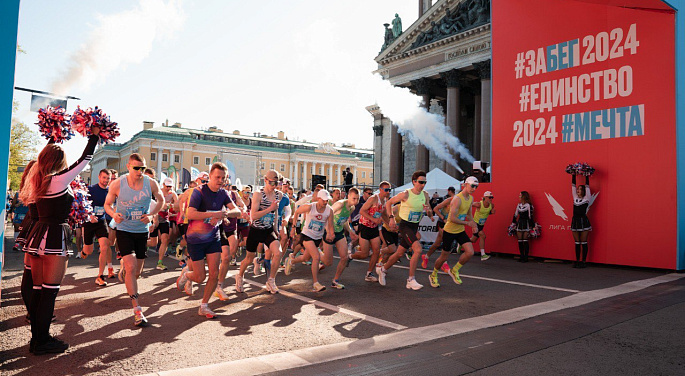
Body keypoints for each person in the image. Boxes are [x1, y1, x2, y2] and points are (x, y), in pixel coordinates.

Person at [22, 128, 101, 354]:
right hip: (54, 236)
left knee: (38, 290)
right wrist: (94, 135)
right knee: (49, 291)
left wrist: (52, 139)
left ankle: (37, 339)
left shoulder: (37, 179)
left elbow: (45, 157)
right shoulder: (57, 180)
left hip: (37, 237)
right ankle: (42, 341)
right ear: (58, 161)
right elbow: (84, 160)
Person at [176, 163, 245, 317]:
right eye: (217, 177)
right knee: (200, 277)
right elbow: (191, 214)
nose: (220, 180)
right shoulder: (199, 192)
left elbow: (236, 211)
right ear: (210, 176)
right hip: (195, 239)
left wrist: (225, 214)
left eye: (223, 178)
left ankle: (204, 305)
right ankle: (187, 274)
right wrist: (213, 214)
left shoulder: (223, 194)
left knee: (214, 273)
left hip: (213, 238)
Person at [105, 153, 165, 327]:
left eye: (143, 168)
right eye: (137, 168)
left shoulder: (151, 183)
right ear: (129, 167)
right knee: (131, 267)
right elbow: (107, 205)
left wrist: (152, 214)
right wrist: (114, 214)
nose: (140, 171)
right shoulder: (118, 184)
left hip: (141, 232)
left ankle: (125, 272)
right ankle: (137, 309)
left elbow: (161, 200)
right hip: (123, 229)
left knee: (136, 272)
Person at [380, 171, 433, 290]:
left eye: (425, 182)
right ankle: (410, 280)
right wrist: (391, 218)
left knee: (399, 253)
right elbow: (388, 203)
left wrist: (428, 211)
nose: (423, 184)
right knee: (418, 249)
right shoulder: (405, 194)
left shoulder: (425, 195)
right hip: (405, 226)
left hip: (414, 226)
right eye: (420, 182)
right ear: (414, 182)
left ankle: (383, 269)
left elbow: (430, 212)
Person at [236, 170, 284, 294]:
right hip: (255, 230)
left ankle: (271, 280)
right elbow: (254, 215)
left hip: (268, 230)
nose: (274, 186)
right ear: (266, 180)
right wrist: (270, 209)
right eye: (272, 183)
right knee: (248, 258)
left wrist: (275, 228)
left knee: (278, 253)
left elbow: (276, 211)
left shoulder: (279, 195)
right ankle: (240, 276)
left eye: (277, 183)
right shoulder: (258, 194)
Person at [428, 177, 479, 288]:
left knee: (470, 252)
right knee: (443, 257)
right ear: (465, 184)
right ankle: (433, 274)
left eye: (476, 186)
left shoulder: (470, 198)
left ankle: (454, 270)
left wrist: (473, 224)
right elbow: (452, 218)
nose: (474, 189)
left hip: (460, 231)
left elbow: (469, 214)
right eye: (472, 186)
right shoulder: (457, 199)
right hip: (449, 231)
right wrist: (467, 223)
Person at [285, 189, 335, 292]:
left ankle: (291, 261)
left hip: (317, 238)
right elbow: (297, 212)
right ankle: (316, 283)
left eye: (327, 200)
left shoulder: (329, 210)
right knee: (316, 257)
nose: (326, 202)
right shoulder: (310, 206)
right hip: (307, 235)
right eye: (324, 200)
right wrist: (293, 228)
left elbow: (330, 226)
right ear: (318, 198)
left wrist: (331, 234)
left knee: (305, 258)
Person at [349, 182, 392, 282]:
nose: (388, 192)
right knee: (364, 253)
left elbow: (384, 214)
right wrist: (373, 219)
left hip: (374, 228)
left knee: (376, 251)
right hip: (364, 227)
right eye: (386, 190)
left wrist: (390, 224)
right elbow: (362, 211)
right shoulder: (373, 198)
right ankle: (350, 256)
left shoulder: (385, 200)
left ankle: (369, 274)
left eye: (389, 190)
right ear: (381, 189)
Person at [215, 178, 247, 301]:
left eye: (228, 184)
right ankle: (188, 272)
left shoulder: (233, 194)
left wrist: (243, 210)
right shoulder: (217, 194)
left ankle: (219, 285)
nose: (227, 186)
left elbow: (241, 206)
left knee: (229, 255)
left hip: (231, 227)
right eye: (225, 184)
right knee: (223, 257)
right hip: (220, 227)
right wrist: (224, 216)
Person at [83, 169, 113, 286]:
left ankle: (100, 276)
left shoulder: (110, 191)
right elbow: (82, 204)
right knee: (88, 251)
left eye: (108, 178)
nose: (106, 180)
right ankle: (84, 250)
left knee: (105, 247)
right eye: (104, 177)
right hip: (89, 222)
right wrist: (89, 216)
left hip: (101, 222)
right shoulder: (91, 189)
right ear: (99, 177)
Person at [16, 160, 37, 325]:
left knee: (29, 274)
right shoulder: (38, 186)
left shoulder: (30, 185)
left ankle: (33, 311)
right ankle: (34, 312)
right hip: (37, 228)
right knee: (33, 277)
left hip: (33, 227)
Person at [422, 186, 456, 270]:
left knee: (437, 243)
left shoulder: (459, 202)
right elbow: (435, 209)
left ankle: (426, 256)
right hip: (442, 223)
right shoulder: (448, 200)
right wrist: (443, 218)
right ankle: (444, 263)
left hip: (449, 224)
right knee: (446, 241)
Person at [154, 177, 178, 271]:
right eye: (167, 186)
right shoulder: (158, 191)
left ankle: (160, 262)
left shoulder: (172, 193)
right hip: (154, 216)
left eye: (170, 186)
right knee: (153, 241)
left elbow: (177, 204)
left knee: (165, 239)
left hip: (164, 218)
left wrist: (172, 205)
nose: (169, 188)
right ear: (163, 185)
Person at [571, 174, 592, 268]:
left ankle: (584, 261)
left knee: (583, 241)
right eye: (577, 189)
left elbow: (587, 187)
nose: (577, 190)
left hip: (583, 221)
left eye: (579, 189)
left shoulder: (587, 198)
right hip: (575, 221)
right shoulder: (575, 198)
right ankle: (577, 260)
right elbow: (572, 186)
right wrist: (573, 175)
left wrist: (586, 176)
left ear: (583, 191)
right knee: (577, 242)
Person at [470, 190, 495, 261]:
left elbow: (487, 212)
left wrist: (491, 212)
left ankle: (462, 243)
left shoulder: (492, 205)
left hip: (481, 225)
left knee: (473, 240)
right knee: (483, 236)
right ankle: (483, 255)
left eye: (492, 197)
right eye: (489, 197)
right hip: (475, 224)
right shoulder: (479, 204)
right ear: (485, 198)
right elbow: (469, 204)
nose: (491, 199)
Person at [512, 191, 534, 262]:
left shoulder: (529, 205)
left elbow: (530, 216)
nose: (519, 197)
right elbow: (515, 215)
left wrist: (532, 226)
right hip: (519, 223)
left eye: (520, 195)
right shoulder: (518, 205)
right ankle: (521, 256)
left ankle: (526, 257)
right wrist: (513, 224)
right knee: (520, 241)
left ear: (524, 196)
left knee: (525, 241)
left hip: (526, 223)